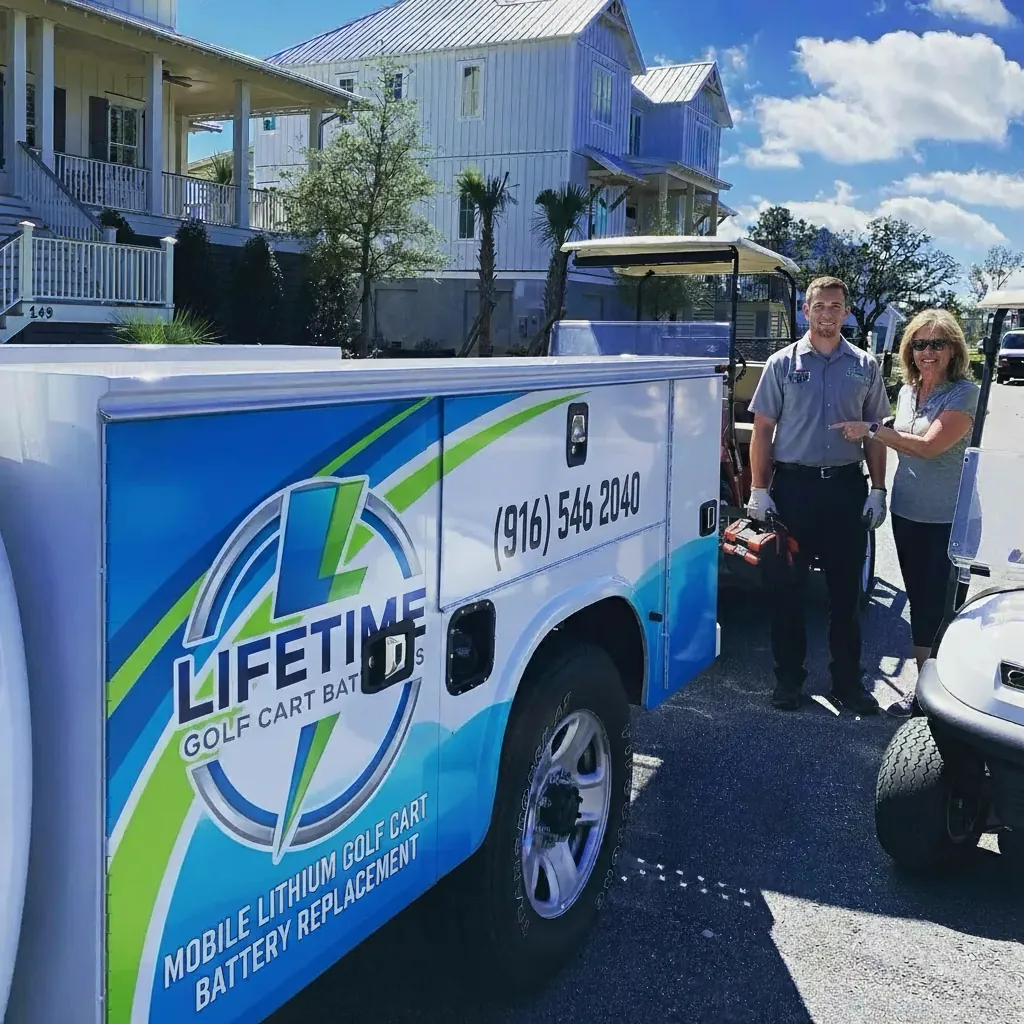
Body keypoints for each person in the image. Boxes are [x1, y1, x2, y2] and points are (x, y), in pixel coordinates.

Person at [746, 276, 891, 713]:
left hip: (846, 489)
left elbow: (877, 432)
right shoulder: (782, 363)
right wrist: (758, 488)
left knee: (845, 593)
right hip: (794, 490)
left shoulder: (864, 365)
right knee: (787, 592)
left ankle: (847, 683)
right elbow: (763, 430)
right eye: (820, 305)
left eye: (836, 306)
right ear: (805, 311)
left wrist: (878, 490)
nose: (828, 313)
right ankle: (788, 681)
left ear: (846, 312)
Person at [832, 308, 979, 717]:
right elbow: (902, 425)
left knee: (943, 606)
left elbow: (930, 445)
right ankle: (924, 692)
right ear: (908, 349)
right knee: (919, 600)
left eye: (937, 344)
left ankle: (951, 697)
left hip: (949, 519)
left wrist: (874, 430)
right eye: (919, 344)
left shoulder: (963, 393)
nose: (928, 352)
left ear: (953, 350)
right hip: (908, 512)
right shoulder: (910, 391)